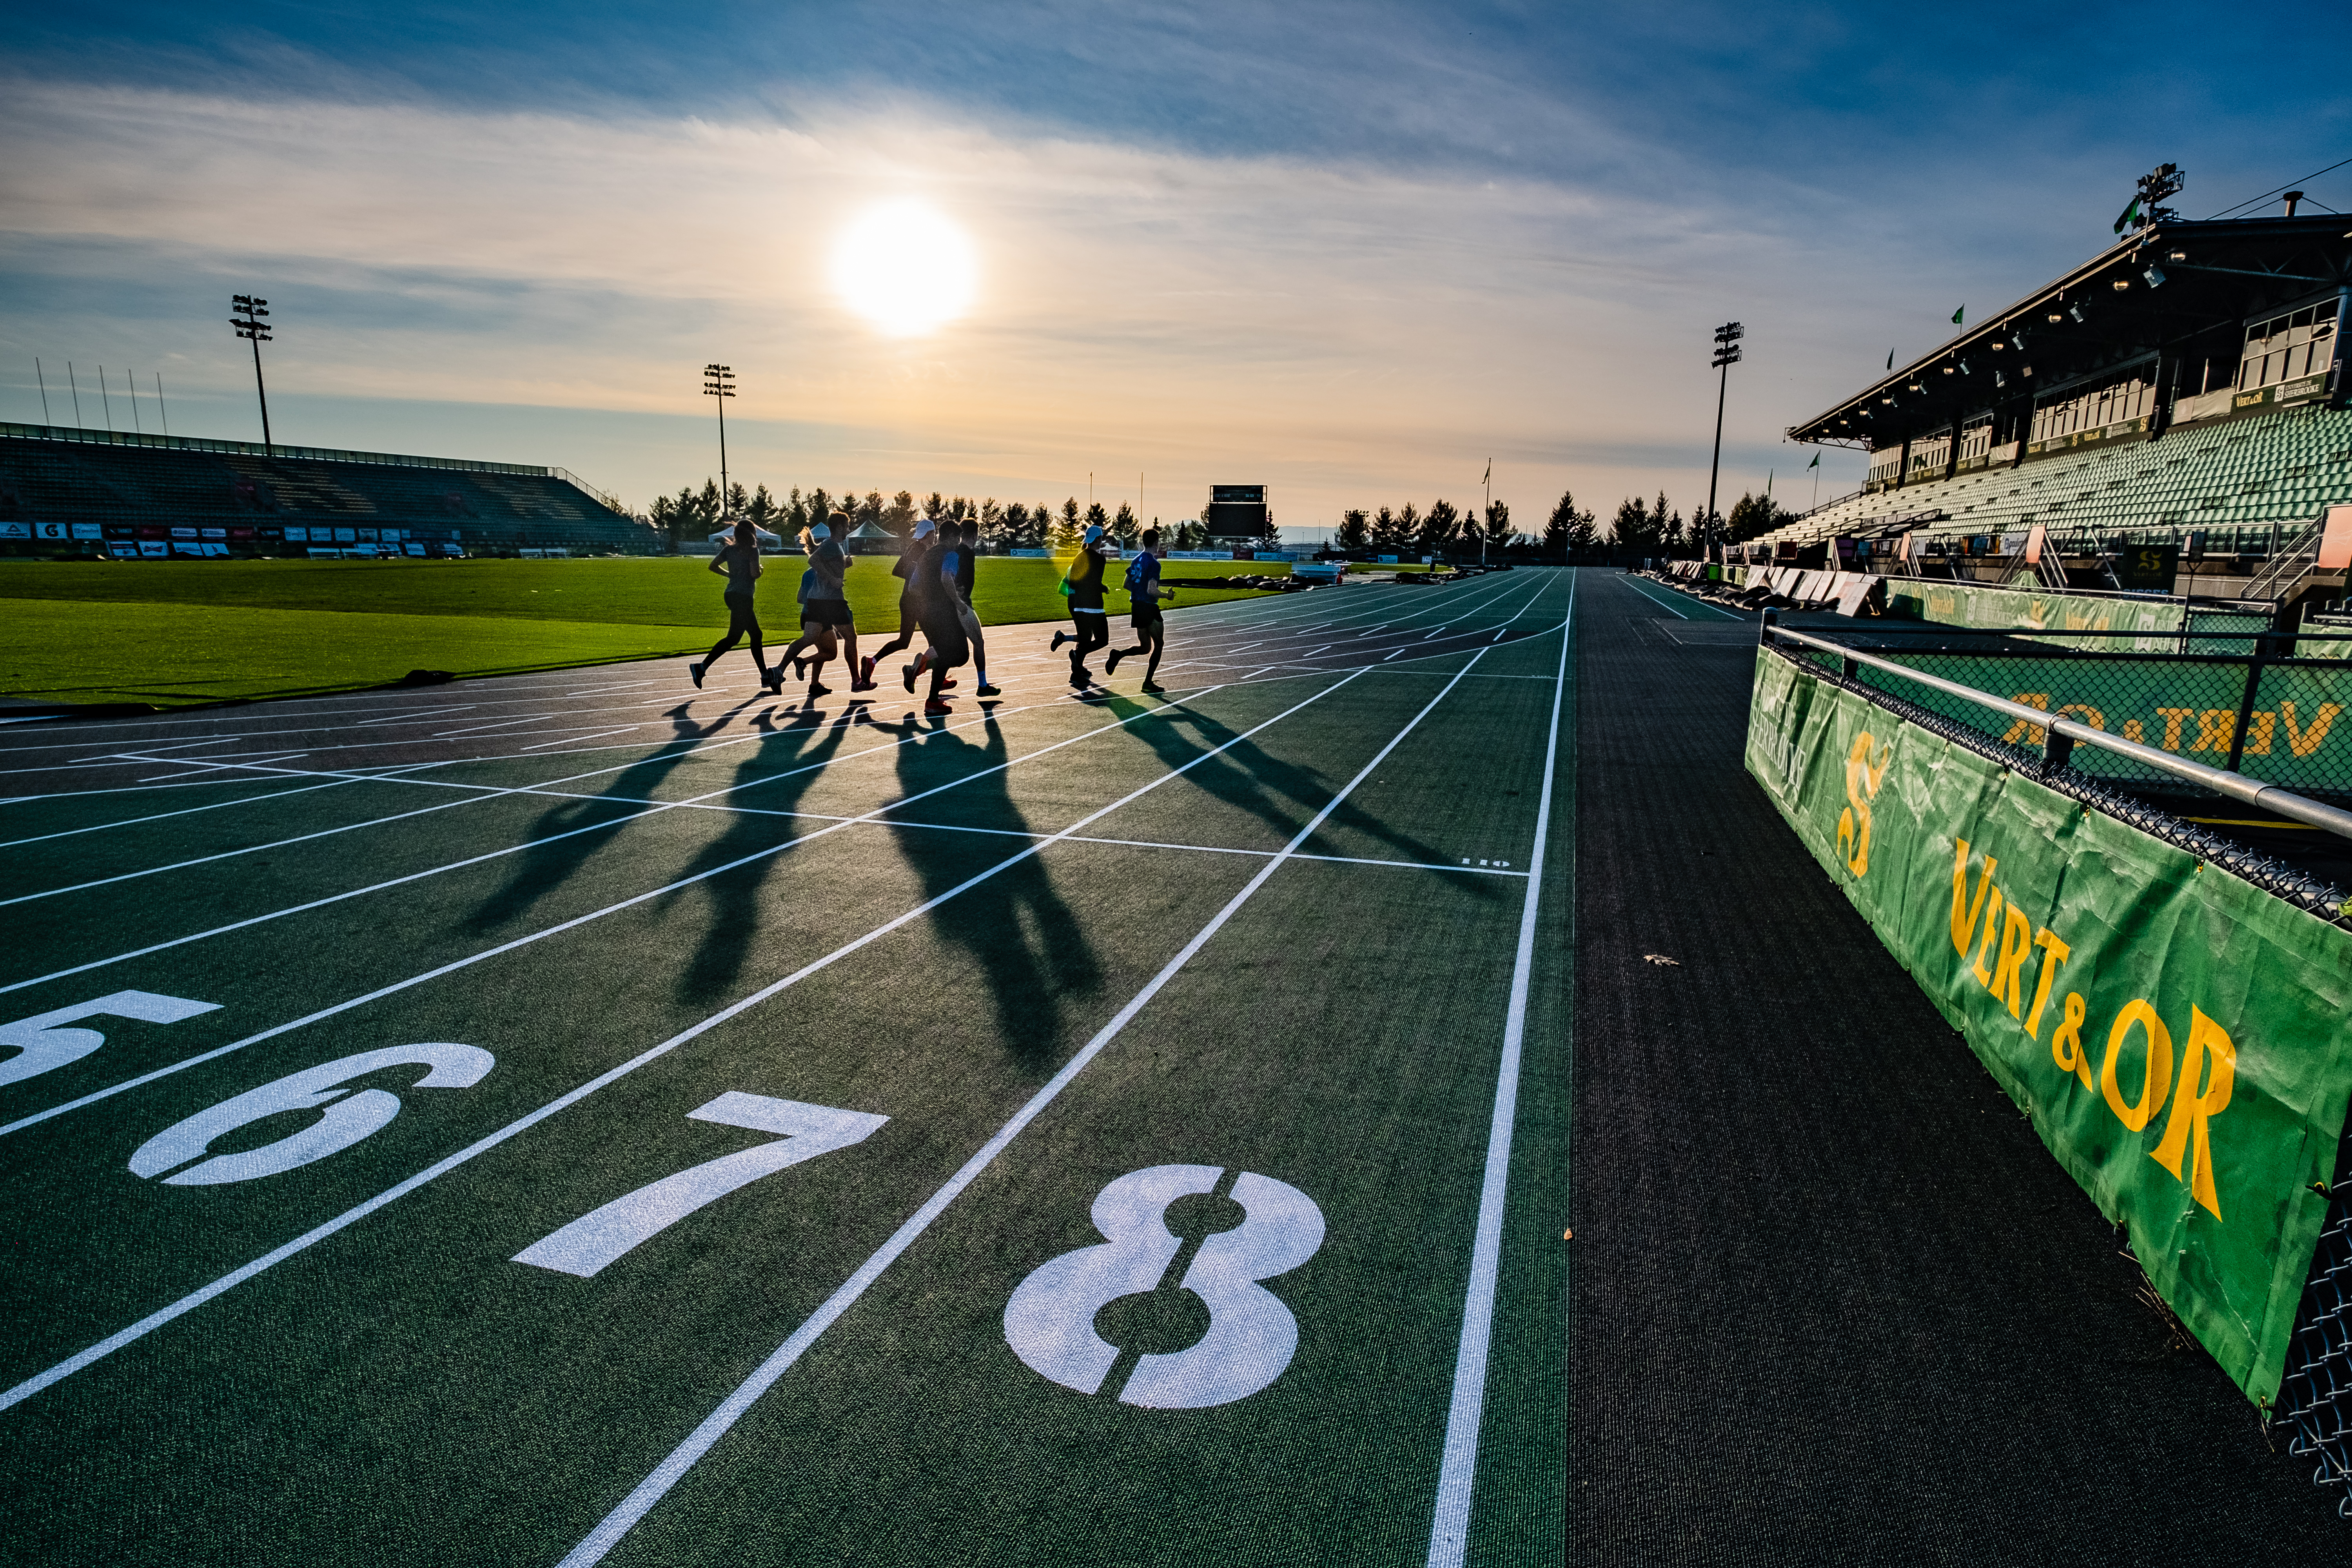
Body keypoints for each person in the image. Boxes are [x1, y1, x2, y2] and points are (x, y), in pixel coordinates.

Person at [775, 514, 869, 697]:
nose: (849, 530)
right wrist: (833, 579)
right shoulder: (831, 545)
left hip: (818, 602)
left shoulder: (834, 547)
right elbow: (813, 561)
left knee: (809, 639)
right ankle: (856, 681)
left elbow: (824, 564)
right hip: (833, 601)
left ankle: (780, 669)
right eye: (848, 526)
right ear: (841, 527)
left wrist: (844, 566)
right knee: (851, 638)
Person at [691, 517, 780, 693]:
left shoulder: (729, 550)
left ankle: (702, 668)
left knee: (741, 637)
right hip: (744, 597)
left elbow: (713, 566)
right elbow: (755, 573)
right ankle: (701, 667)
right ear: (752, 534)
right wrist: (761, 570)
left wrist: (730, 575)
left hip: (731, 594)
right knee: (751, 635)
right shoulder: (753, 551)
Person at [898, 517, 969, 716]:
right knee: (961, 655)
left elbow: (913, 587)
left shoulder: (925, 556)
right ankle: (930, 698)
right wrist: (956, 601)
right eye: (958, 538)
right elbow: (946, 577)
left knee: (944, 653)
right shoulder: (951, 554)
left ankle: (923, 678)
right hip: (944, 613)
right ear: (952, 537)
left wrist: (929, 599)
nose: (959, 542)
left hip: (925, 614)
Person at [1105, 527, 1174, 692]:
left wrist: (1139, 591)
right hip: (1149, 607)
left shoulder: (1136, 560)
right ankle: (1148, 683)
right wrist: (1167, 596)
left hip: (1136, 607)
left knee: (1145, 648)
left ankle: (1118, 655)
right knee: (1159, 644)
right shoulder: (1154, 564)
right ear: (1156, 543)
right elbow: (1152, 590)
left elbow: (1126, 584)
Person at [861, 519, 927, 688]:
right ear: (930, 534)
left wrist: (913, 576)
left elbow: (897, 571)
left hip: (907, 600)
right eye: (934, 534)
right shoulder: (921, 550)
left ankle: (872, 661)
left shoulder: (912, 548)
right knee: (936, 641)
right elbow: (905, 572)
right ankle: (937, 679)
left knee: (904, 642)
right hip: (916, 602)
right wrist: (920, 578)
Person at [1049, 523, 1112, 690]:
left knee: (1085, 640)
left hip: (1079, 606)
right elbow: (1094, 583)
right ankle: (1078, 655)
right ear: (1097, 540)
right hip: (1095, 607)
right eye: (1101, 539)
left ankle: (1077, 670)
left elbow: (1076, 583)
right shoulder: (1100, 559)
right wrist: (1102, 588)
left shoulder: (1078, 558)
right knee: (1103, 640)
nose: (1101, 542)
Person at [953, 519, 1001, 698]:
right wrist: (959, 599)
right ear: (975, 534)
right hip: (962, 604)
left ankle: (916, 668)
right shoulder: (966, 553)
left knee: (950, 648)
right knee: (978, 642)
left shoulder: (958, 550)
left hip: (956, 602)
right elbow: (957, 578)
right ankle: (982, 685)